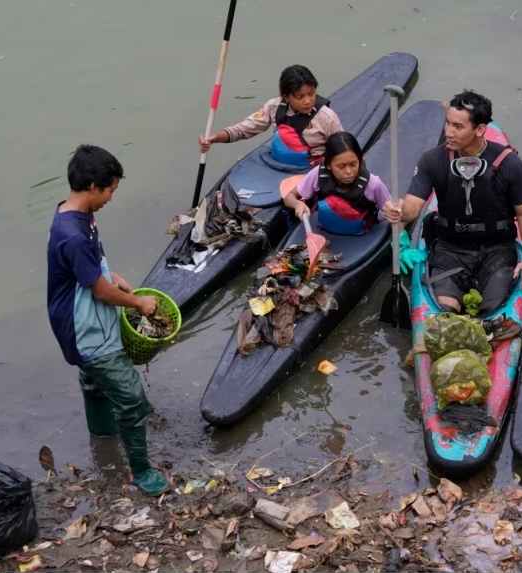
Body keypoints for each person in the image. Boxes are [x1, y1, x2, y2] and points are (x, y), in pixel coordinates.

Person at [46, 145, 170, 497]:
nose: (111, 198)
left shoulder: (73, 215)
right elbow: (100, 294)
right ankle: (142, 473)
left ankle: (102, 438)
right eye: (110, 190)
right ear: (92, 186)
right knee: (131, 398)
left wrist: (109, 273)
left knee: (94, 383)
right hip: (86, 329)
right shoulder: (72, 235)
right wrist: (138, 303)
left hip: (77, 318)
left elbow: (89, 267)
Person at [382, 90, 522, 315]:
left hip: (497, 250)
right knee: (446, 309)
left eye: (458, 127)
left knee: (490, 310)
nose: (448, 132)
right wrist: (398, 209)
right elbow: (411, 208)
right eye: (448, 123)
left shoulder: (510, 163)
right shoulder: (432, 160)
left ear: (480, 130)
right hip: (450, 249)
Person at [198, 65, 344, 168]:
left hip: (311, 169)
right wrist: (214, 138)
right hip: (277, 164)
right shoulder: (274, 107)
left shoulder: (327, 117)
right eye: (300, 96)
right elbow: (243, 129)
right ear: (286, 97)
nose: (307, 101)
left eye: (311, 93)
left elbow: (343, 150)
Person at [282, 131, 392, 235]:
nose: (349, 172)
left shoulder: (373, 184)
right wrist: (297, 204)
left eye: (353, 164)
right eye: (341, 167)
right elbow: (289, 197)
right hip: (324, 231)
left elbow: (393, 215)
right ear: (328, 165)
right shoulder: (317, 174)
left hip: (362, 236)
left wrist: (403, 244)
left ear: (361, 160)